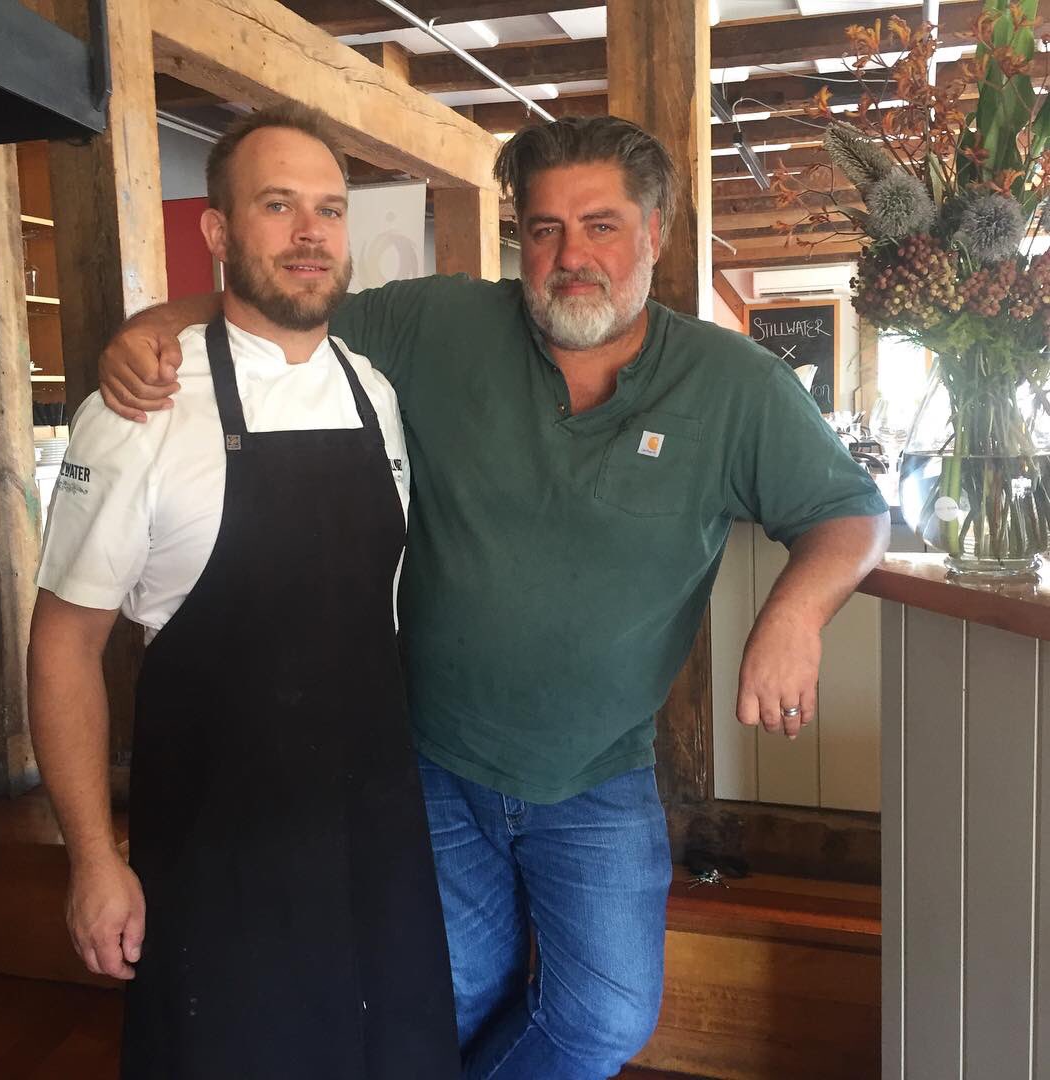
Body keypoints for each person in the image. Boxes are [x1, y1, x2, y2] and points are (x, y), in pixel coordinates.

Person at [99, 116, 891, 1080]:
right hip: (429, 764)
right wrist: (151, 328)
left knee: (605, 1020)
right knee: (450, 997)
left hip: (595, 777)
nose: (570, 257)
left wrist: (795, 615)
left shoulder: (736, 385)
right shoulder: (440, 323)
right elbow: (280, 304)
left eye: (601, 226)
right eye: (545, 229)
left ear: (655, 232)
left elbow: (851, 512)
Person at [27, 102, 461, 1079]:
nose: (311, 233)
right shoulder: (139, 411)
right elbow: (62, 644)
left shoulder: (374, 392)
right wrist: (94, 858)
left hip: (370, 834)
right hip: (216, 850)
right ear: (218, 232)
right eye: (277, 206)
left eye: (328, 209)